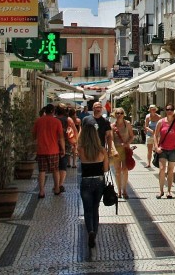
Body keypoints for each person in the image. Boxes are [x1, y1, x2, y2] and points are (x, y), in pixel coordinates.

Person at [76, 117, 109, 250]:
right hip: (99, 181)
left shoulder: (80, 149)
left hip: (86, 181)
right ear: (96, 135)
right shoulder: (102, 150)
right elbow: (106, 169)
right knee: (95, 208)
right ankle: (94, 233)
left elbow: (78, 142)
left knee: (87, 209)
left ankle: (90, 231)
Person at [32, 104, 64, 198]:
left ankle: (41, 191)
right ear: (53, 111)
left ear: (45, 111)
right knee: (55, 170)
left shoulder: (38, 121)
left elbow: (33, 135)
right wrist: (63, 149)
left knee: (42, 171)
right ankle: (57, 189)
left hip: (41, 150)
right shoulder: (57, 121)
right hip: (53, 150)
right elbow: (61, 137)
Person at [153, 104, 175, 198]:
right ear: (165, 111)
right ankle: (161, 191)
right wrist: (156, 147)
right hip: (163, 149)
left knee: (170, 170)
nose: (169, 111)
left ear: (173, 111)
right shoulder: (161, 122)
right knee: (162, 169)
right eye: (167, 109)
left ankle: (169, 191)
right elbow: (155, 135)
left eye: (171, 109)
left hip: (173, 149)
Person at [111, 107, 135, 199]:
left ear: (123, 114)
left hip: (125, 150)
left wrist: (127, 143)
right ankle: (119, 191)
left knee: (125, 170)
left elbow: (132, 136)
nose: (119, 115)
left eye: (121, 113)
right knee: (117, 171)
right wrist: (113, 150)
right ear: (115, 114)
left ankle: (124, 190)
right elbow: (111, 140)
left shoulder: (127, 124)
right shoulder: (112, 126)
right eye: (117, 113)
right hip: (116, 150)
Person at [55, 104, 75, 194]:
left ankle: (56, 185)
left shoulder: (54, 119)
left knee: (56, 166)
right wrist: (75, 143)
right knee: (63, 165)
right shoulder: (68, 120)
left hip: (55, 144)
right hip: (66, 145)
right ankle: (60, 184)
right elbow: (74, 131)